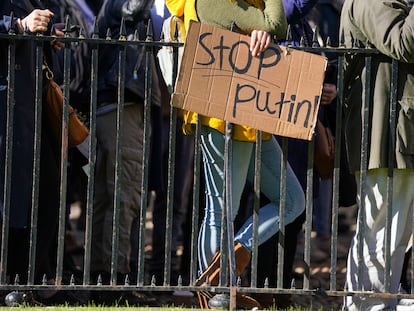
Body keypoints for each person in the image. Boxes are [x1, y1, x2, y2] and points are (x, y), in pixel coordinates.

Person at [174, 0, 306, 308]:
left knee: (292, 200)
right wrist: (263, 28)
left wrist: (262, 32)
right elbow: (275, 23)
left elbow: (268, 28)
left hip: (250, 113)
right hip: (219, 115)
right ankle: (219, 295)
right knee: (220, 212)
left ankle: (226, 265)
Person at [340, 0, 414, 309]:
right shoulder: (370, 0)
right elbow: (404, 43)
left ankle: (370, 305)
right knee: (382, 236)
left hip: (398, 135)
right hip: (382, 137)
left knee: (393, 238)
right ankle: (369, 306)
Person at [89, 0, 161, 303]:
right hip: (121, 106)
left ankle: (100, 277)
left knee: (110, 197)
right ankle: (112, 282)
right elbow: (133, 8)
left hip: (115, 104)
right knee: (124, 195)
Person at [0, 0, 64, 289]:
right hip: (7, 101)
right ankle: (14, 280)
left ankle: (27, 279)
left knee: (44, 190)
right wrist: (19, 26)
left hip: (30, 103)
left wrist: (48, 37)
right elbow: (16, 26)